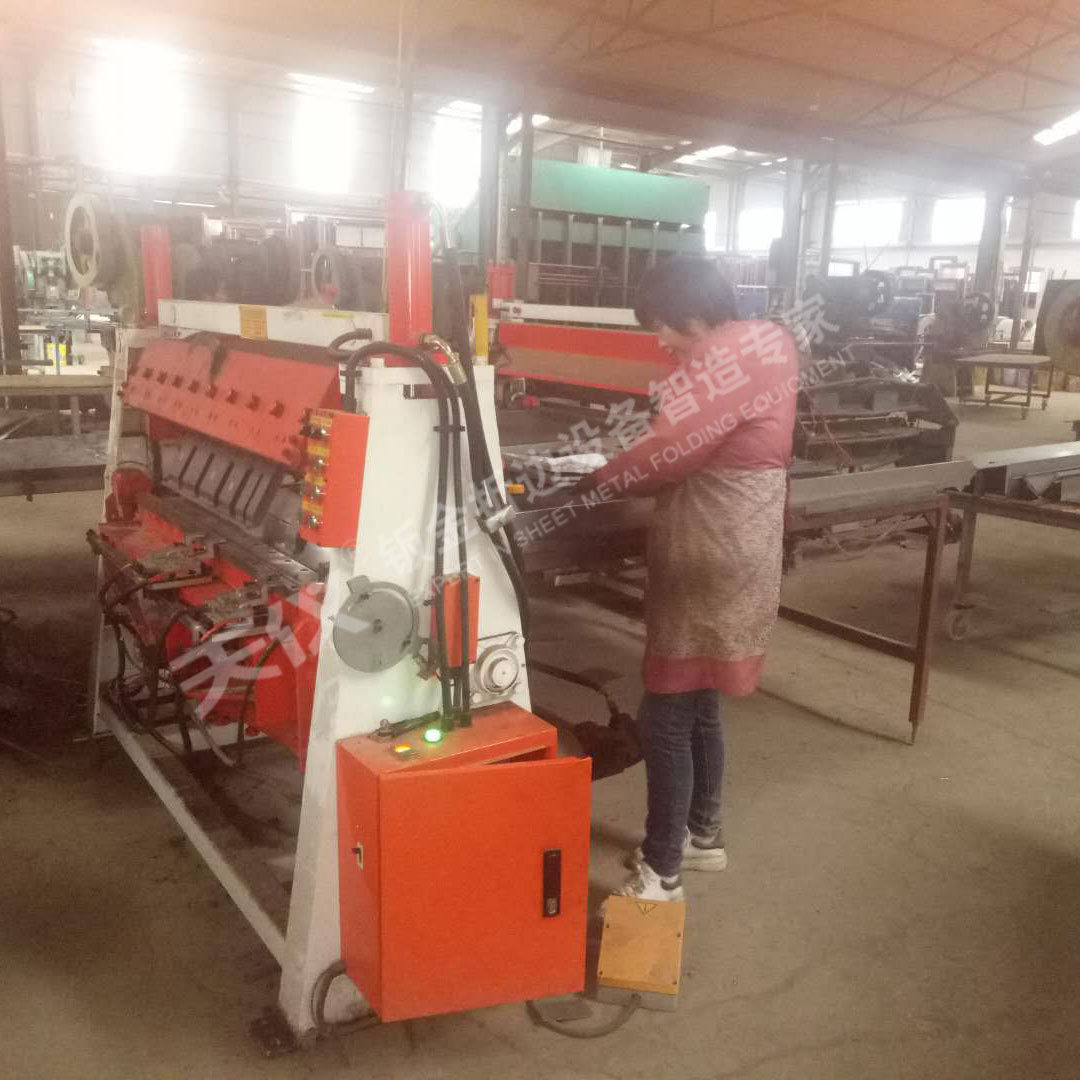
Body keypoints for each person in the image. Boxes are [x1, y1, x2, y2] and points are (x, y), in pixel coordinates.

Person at [575, 256, 798, 903]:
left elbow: (666, 454)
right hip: (744, 547)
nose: (660, 342)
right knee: (700, 700)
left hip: (707, 550)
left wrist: (595, 478)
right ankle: (704, 836)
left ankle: (662, 871)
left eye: (660, 326)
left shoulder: (721, 357)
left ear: (688, 315)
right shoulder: (769, 340)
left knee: (666, 714)